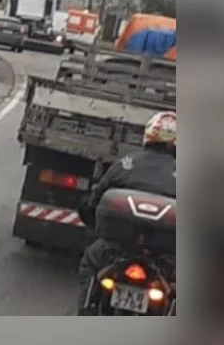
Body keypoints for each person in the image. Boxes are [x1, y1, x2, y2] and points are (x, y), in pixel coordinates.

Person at [76, 110, 177, 304]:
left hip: (119, 248)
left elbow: (93, 201)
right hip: (166, 257)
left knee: (91, 261)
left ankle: (86, 309)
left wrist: (91, 221)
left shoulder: (125, 163)